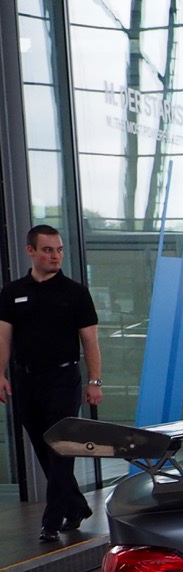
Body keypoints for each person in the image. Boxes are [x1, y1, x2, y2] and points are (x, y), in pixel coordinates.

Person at [0, 225, 103, 542]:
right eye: (47, 250)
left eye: (59, 250)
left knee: (60, 448)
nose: (55, 256)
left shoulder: (75, 293)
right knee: (44, 449)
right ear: (30, 251)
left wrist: (95, 381)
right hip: (26, 380)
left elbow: (90, 341)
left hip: (63, 379)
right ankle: (76, 506)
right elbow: (4, 338)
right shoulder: (12, 292)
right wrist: (0, 374)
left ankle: (52, 520)